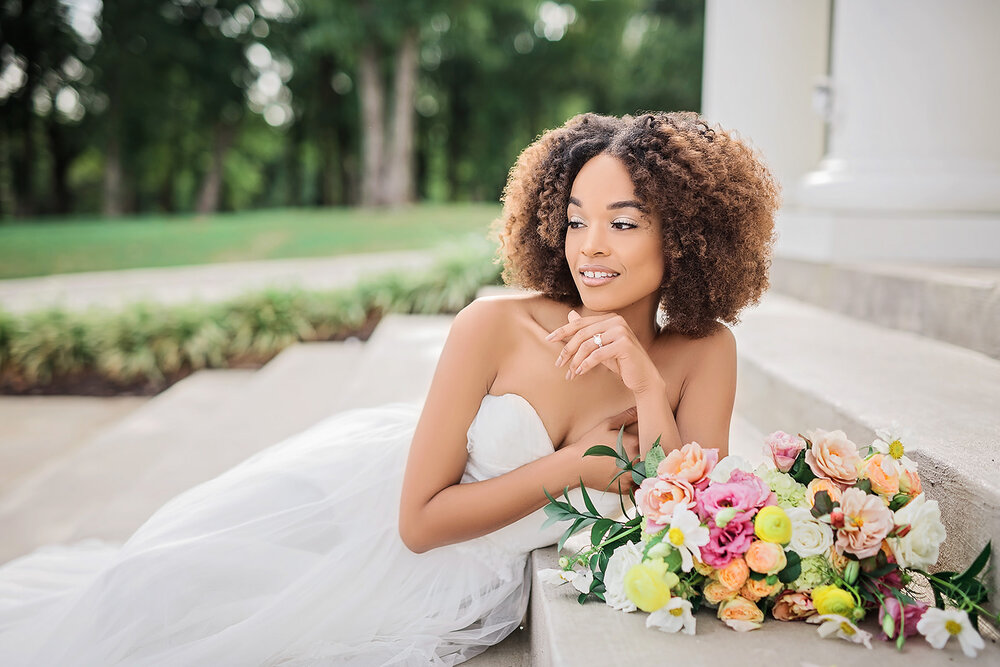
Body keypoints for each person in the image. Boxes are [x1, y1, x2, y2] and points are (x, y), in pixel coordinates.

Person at [0, 111, 778, 665]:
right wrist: (573, 468)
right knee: (147, 600)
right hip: (363, 519)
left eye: (623, 222)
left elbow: (694, 523)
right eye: (575, 221)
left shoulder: (702, 352)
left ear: (684, 233)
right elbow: (417, 520)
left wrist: (644, 381)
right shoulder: (495, 326)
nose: (591, 247)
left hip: (474, 575)